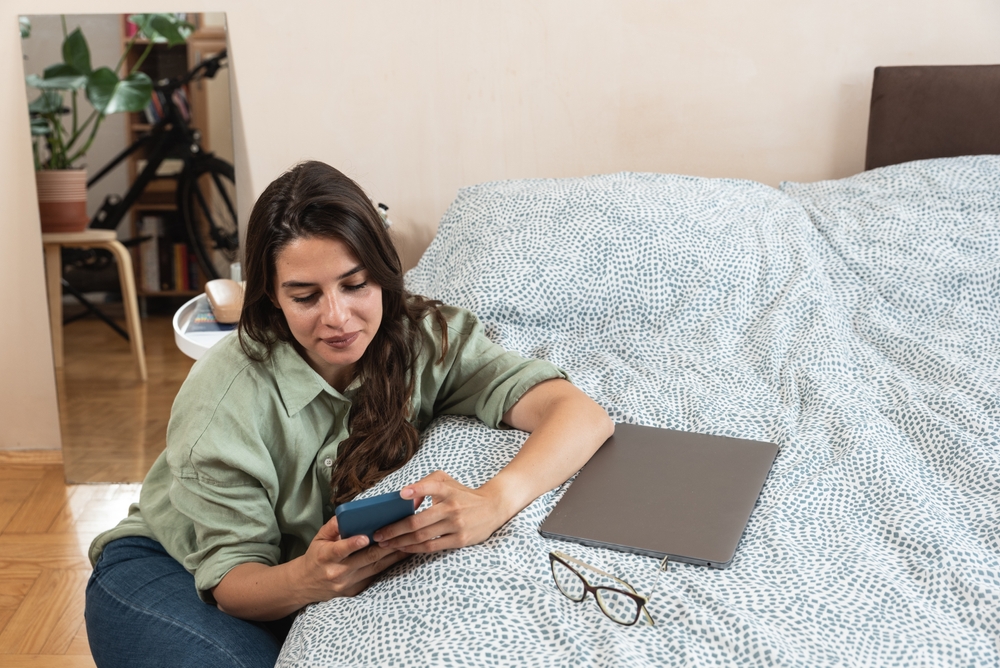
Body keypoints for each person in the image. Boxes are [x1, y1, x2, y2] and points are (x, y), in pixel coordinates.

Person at [84, 161, 613, 668]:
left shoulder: (423, 340)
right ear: (272, 298)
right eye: (305, 295)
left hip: (294, 579)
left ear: (383, 273)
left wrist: (494, 501)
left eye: (355, 284)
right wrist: (311, 581)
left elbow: (580, 415)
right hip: (171, 574)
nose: (338, 318)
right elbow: (232, 584)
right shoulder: (223, 403)